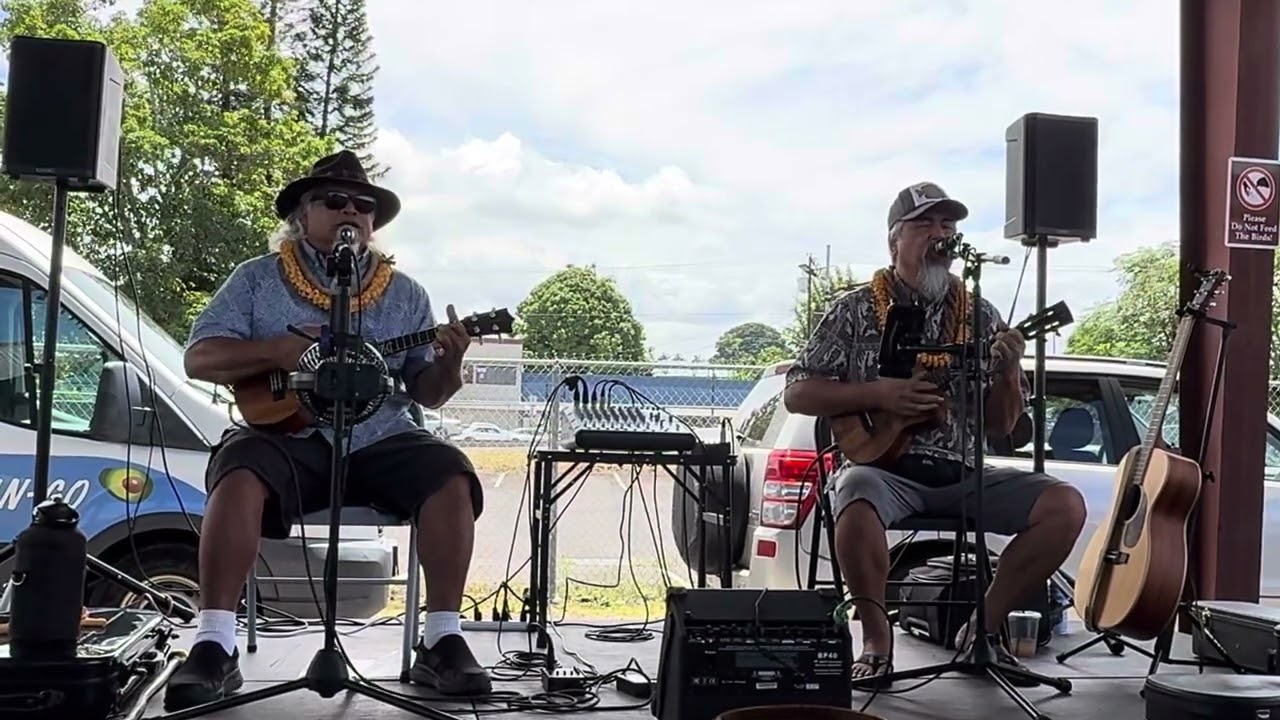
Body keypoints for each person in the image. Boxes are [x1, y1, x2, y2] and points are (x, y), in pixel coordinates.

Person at [163, 150, 492, 710]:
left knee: (450, 472)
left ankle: (441, 639)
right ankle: (214, 643)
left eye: (363, 205)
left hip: (381, 436)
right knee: (238, 468)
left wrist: (451, 362)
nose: (351, 211)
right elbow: (199, 358)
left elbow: (428, 392)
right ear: (302, 214)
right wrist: (279, 350)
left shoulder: (406, 294)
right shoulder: (255, 280)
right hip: (289, 437)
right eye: (334, 201)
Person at [783, 182, 1087, 687]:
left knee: (1065, 506)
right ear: (894, 241)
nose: (939, 234)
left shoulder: (981, 314)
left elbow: (1002, 429)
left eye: (947, 225)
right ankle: (877, 641)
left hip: (964, 472)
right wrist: (880, 395)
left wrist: (1009, 371)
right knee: (854, 491)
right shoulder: (855, 309)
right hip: (883, 470)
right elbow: (798, 392)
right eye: (924, 224)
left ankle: (982, 632)